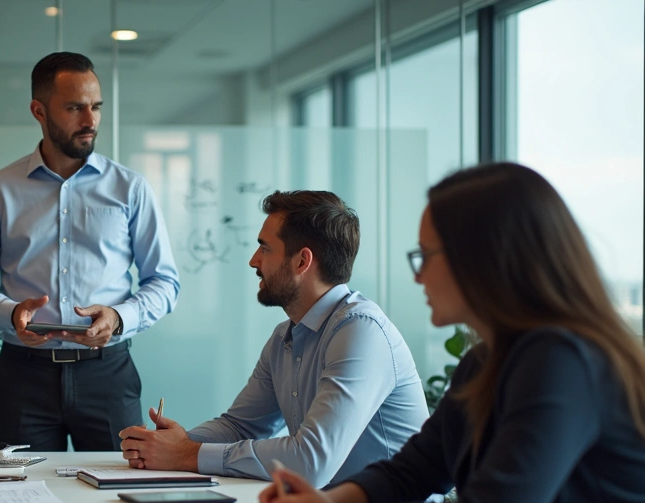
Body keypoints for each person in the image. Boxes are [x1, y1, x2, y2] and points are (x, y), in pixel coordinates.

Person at [254, 163, 645, 503]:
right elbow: (412, 472)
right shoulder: (483, 363)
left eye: (426, 256)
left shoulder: (562, 361)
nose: (417, 276)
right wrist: (322, 502)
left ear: (483, 258)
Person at [121, 191, 427, 487]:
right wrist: (171, 443)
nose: (254, 261)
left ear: (302, 262)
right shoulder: (285, 336)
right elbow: (240, 426)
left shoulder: (361, 331)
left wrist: (187, 454)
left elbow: (311, 461)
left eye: (265, 249)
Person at [0, 51, 180, 452]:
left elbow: (164, 280)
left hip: (108, 373)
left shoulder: (130, 188)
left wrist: (119, 316)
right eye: (75, 107)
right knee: (24, 497)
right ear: (39, 111)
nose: (90, 121)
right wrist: (10, 313)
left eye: (95, 107)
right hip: (23, 376)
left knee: (117, 496)